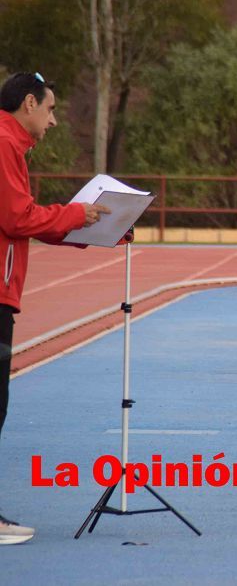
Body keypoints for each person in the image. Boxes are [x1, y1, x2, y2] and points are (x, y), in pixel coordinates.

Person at [0, 72, 109, 544]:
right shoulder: (4, 142)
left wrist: (84, 228)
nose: (55, 120)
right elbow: (16, 217)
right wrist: (73, 215)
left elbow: (23, 217)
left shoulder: (11, 147)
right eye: (50, 109)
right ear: (28, 103)